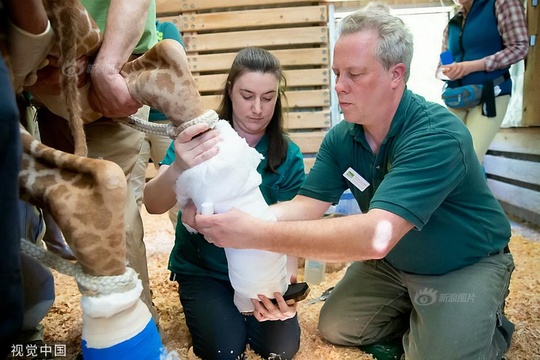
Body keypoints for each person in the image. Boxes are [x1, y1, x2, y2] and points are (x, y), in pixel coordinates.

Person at [183, 11, 516, 360]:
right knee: (337, 326)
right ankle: (422, 314)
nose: (340, 85)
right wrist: (235, 217)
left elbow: (376, 238)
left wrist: (254, 233)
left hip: (461, 263)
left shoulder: (436, 136)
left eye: (354, 74)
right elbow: (306, 207)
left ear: (396, 74)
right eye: (337, 74)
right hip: (395, 262)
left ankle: (479, 323)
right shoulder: (343, 137)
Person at [144, 47, 306, 360]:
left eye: (268, 97)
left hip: (261, 270)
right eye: (247, 95)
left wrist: (285, 286)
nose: (258, 108)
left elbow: (290, 230)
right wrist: (178, 166)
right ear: (230, 90)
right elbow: (152, 203)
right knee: (223, 350)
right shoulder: (202, 136)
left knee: (281, 348)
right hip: (205, 268)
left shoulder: (288, 154)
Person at [26, 0, 160, 325]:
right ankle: (106, 323)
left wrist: (105, 69)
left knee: (111, 220)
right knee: (71, 221)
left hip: (106, 75)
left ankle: (132, 332)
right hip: (36, 89)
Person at [437, 0, 528, 162]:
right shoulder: (453, 22)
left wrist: (473, 66)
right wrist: (447, 71)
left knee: (469, 160)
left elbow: (519, 47)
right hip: (457, 97)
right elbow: (441, 65)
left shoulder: (502, 3)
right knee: (446, 158)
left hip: (490, 94)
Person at [130, 19, 184, 225]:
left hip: (165, 123)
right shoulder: (126, 31)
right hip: (132, 121)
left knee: (178, 189)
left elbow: (174, 66)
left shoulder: (165, 29)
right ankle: (131, 253)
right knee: (131, 191)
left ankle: (184, 245)